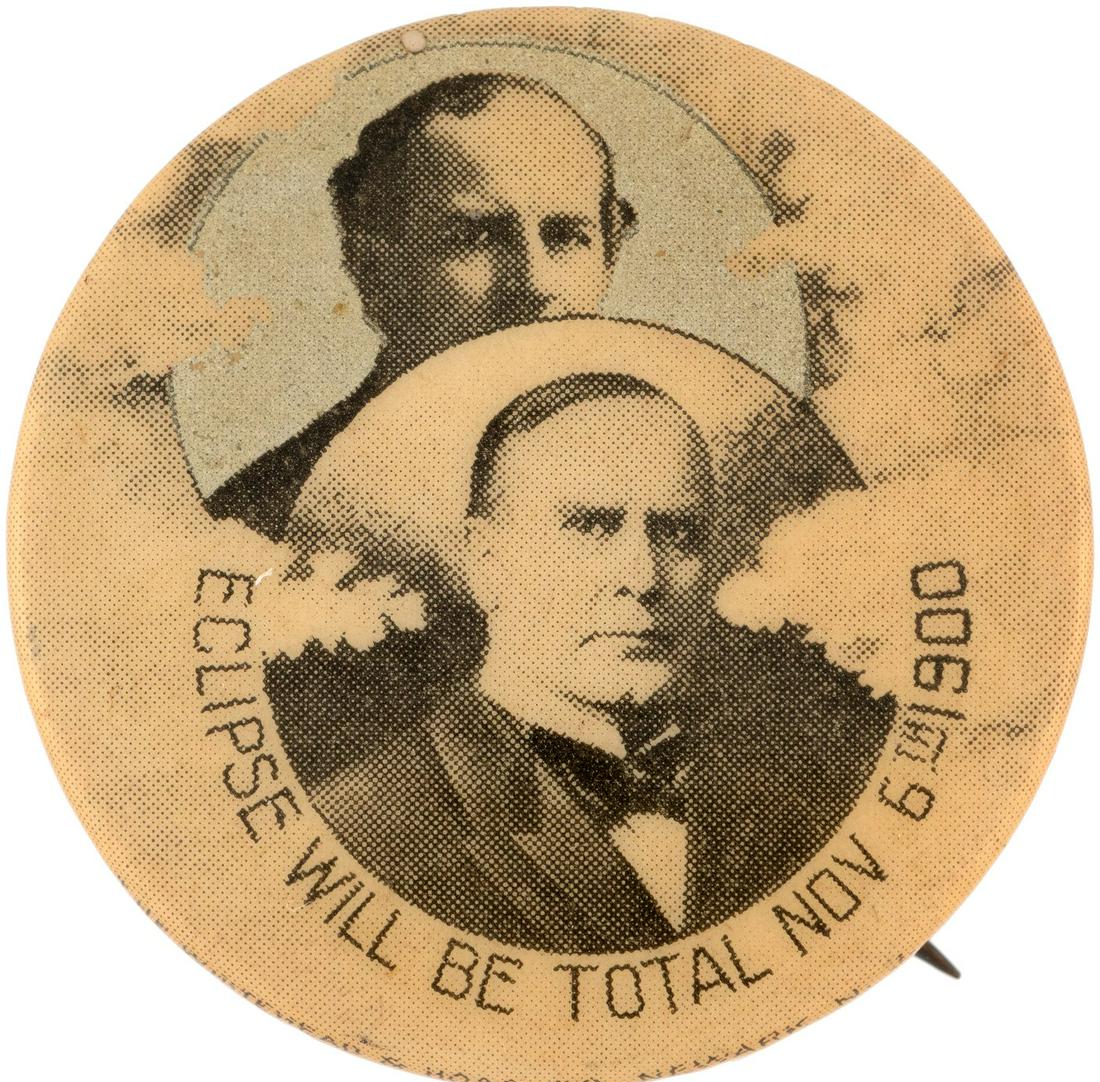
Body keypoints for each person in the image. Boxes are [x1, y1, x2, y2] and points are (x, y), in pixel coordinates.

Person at [279, 370, 895, 952]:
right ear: (485, 560)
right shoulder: (368, 825)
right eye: (592, 528)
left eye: (676, 533)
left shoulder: (805, 801)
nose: (642, 577)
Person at [205, 73, 636, 539]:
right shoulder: (267, 520)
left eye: (566, 236)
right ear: (377, 270)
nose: (537, 282)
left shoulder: (660, 485)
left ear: (609, 255)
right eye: (477, 238)